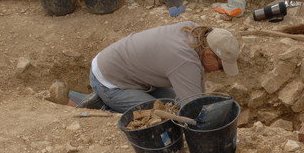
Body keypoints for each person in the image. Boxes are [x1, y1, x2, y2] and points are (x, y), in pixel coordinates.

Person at [78, 21, 240, 113]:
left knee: (174, 104)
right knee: (160, 115)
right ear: (209, 55)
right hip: (110, 81)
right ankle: (105, 105)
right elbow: (193, 110)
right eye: (221, 67)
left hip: (133, 75)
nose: (220, 71)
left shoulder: (196, 33)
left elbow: (196, 91)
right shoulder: (184, 60)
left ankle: (112, 100)